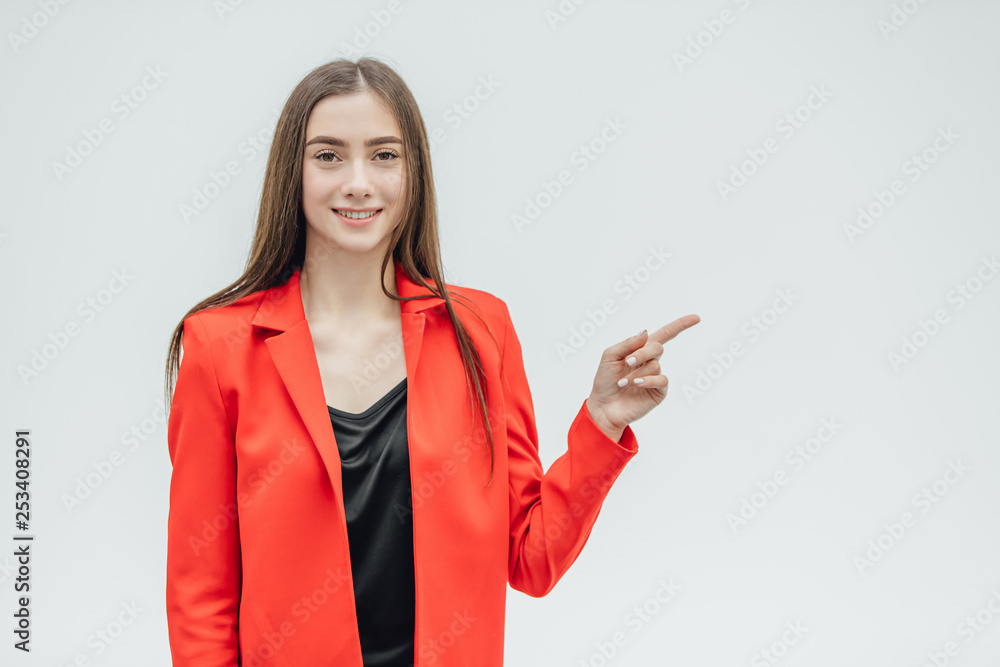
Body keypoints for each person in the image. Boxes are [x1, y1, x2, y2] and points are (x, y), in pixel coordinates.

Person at [162, 56, 699, 666]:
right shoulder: (219, 346)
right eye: (328, 155)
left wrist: (601, 423)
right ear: (293, 172)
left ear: (413, 171)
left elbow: (531, 558)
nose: (358, 182)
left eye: (384, 155)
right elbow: (200, 595)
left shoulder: (481, 331)